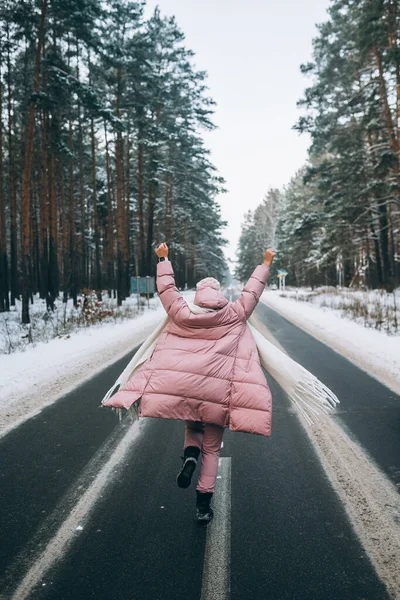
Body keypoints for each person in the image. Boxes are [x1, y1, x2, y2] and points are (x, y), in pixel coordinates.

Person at [104, 242, 276, 524]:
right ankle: (203, 505)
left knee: (191, 424)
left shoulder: (182, 314)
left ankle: (189, 455)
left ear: (198, 297)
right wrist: (265, 264)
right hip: (217, 395)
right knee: (213, 448)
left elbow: (167, 290)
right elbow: (252, 290)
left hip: (187, 390)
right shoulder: (234, 314)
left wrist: (163, 259)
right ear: (219, 295)